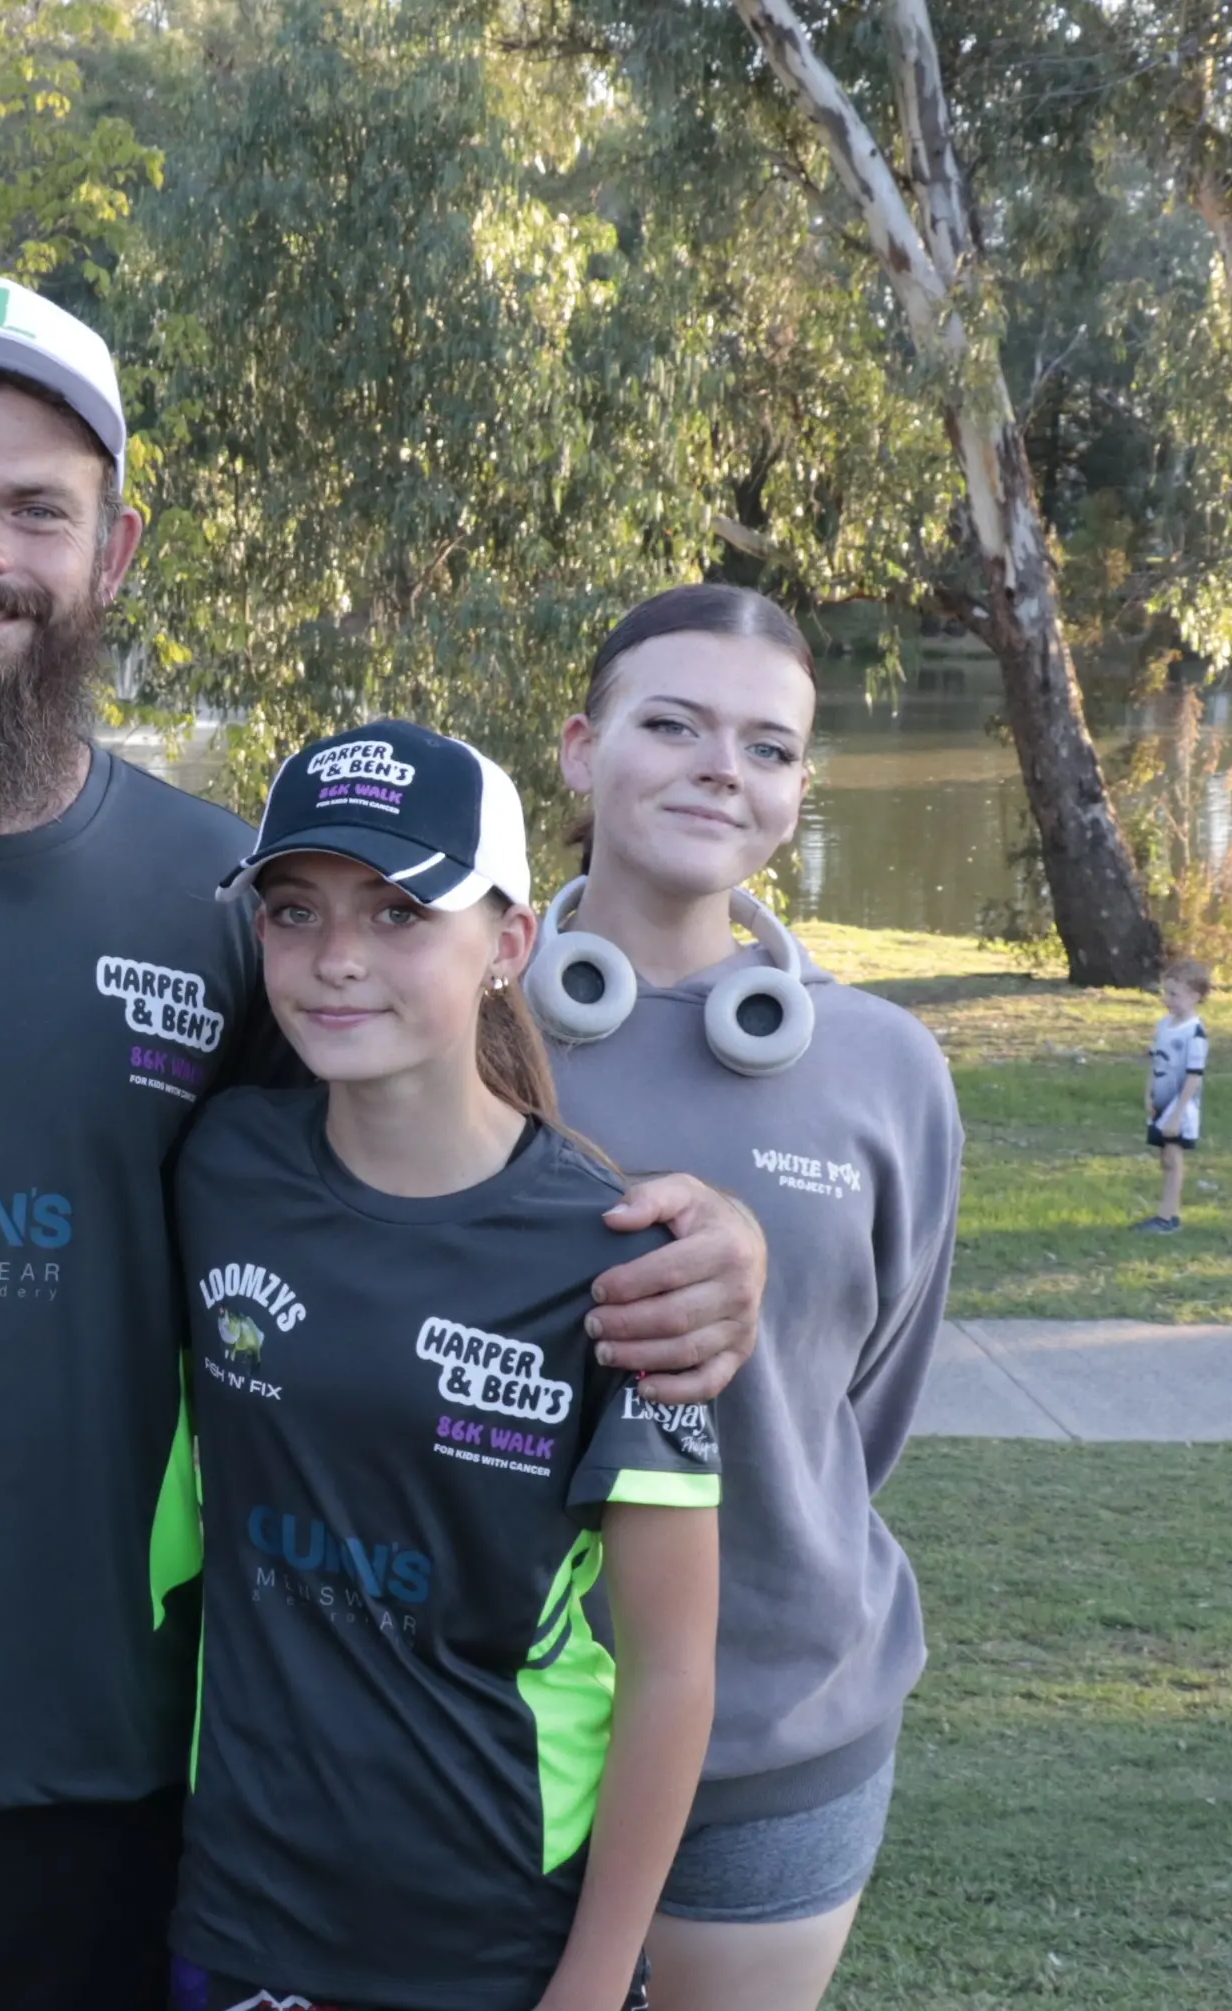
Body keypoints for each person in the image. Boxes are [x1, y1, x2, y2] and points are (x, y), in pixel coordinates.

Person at [0, 276, 768, 2011]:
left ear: (114, 552)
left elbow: (418, 1148)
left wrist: (697, 1232)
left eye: (36, 509)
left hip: (133, 1789)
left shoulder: (223, 893)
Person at [171, 719, 720, 2011]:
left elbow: (672, 1669)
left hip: (494, 1937)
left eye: (400, 912)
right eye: (294, 911)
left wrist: (590, 1981)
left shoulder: (620, 1260)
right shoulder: (217, 1162)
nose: (337, 957)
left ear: (509, 945)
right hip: (241, 1911)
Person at [526, 585, 963, 2011]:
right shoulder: (446, 1018)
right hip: (482, 1718)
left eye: (767, 746)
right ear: (581, 751)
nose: (723, 767)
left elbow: (859, 1402)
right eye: (672, 725)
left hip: (779, 1732)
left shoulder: (885, 1067)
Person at [1137, 957, 1211, 1234]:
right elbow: (1156, 1063)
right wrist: (1149, 1094)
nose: (1166, 999)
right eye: (1165, 992)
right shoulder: (1163, 1026)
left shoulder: (1195, 1034)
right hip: (1161, 1103)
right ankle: (1167, 1215)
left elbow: (1194, 1077)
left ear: (1195, 996)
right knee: (1165, 1158)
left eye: (1174, 994)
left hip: (1179, 1107)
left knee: (1172, 1158)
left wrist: (1178, 1114)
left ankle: (1167, 1217)